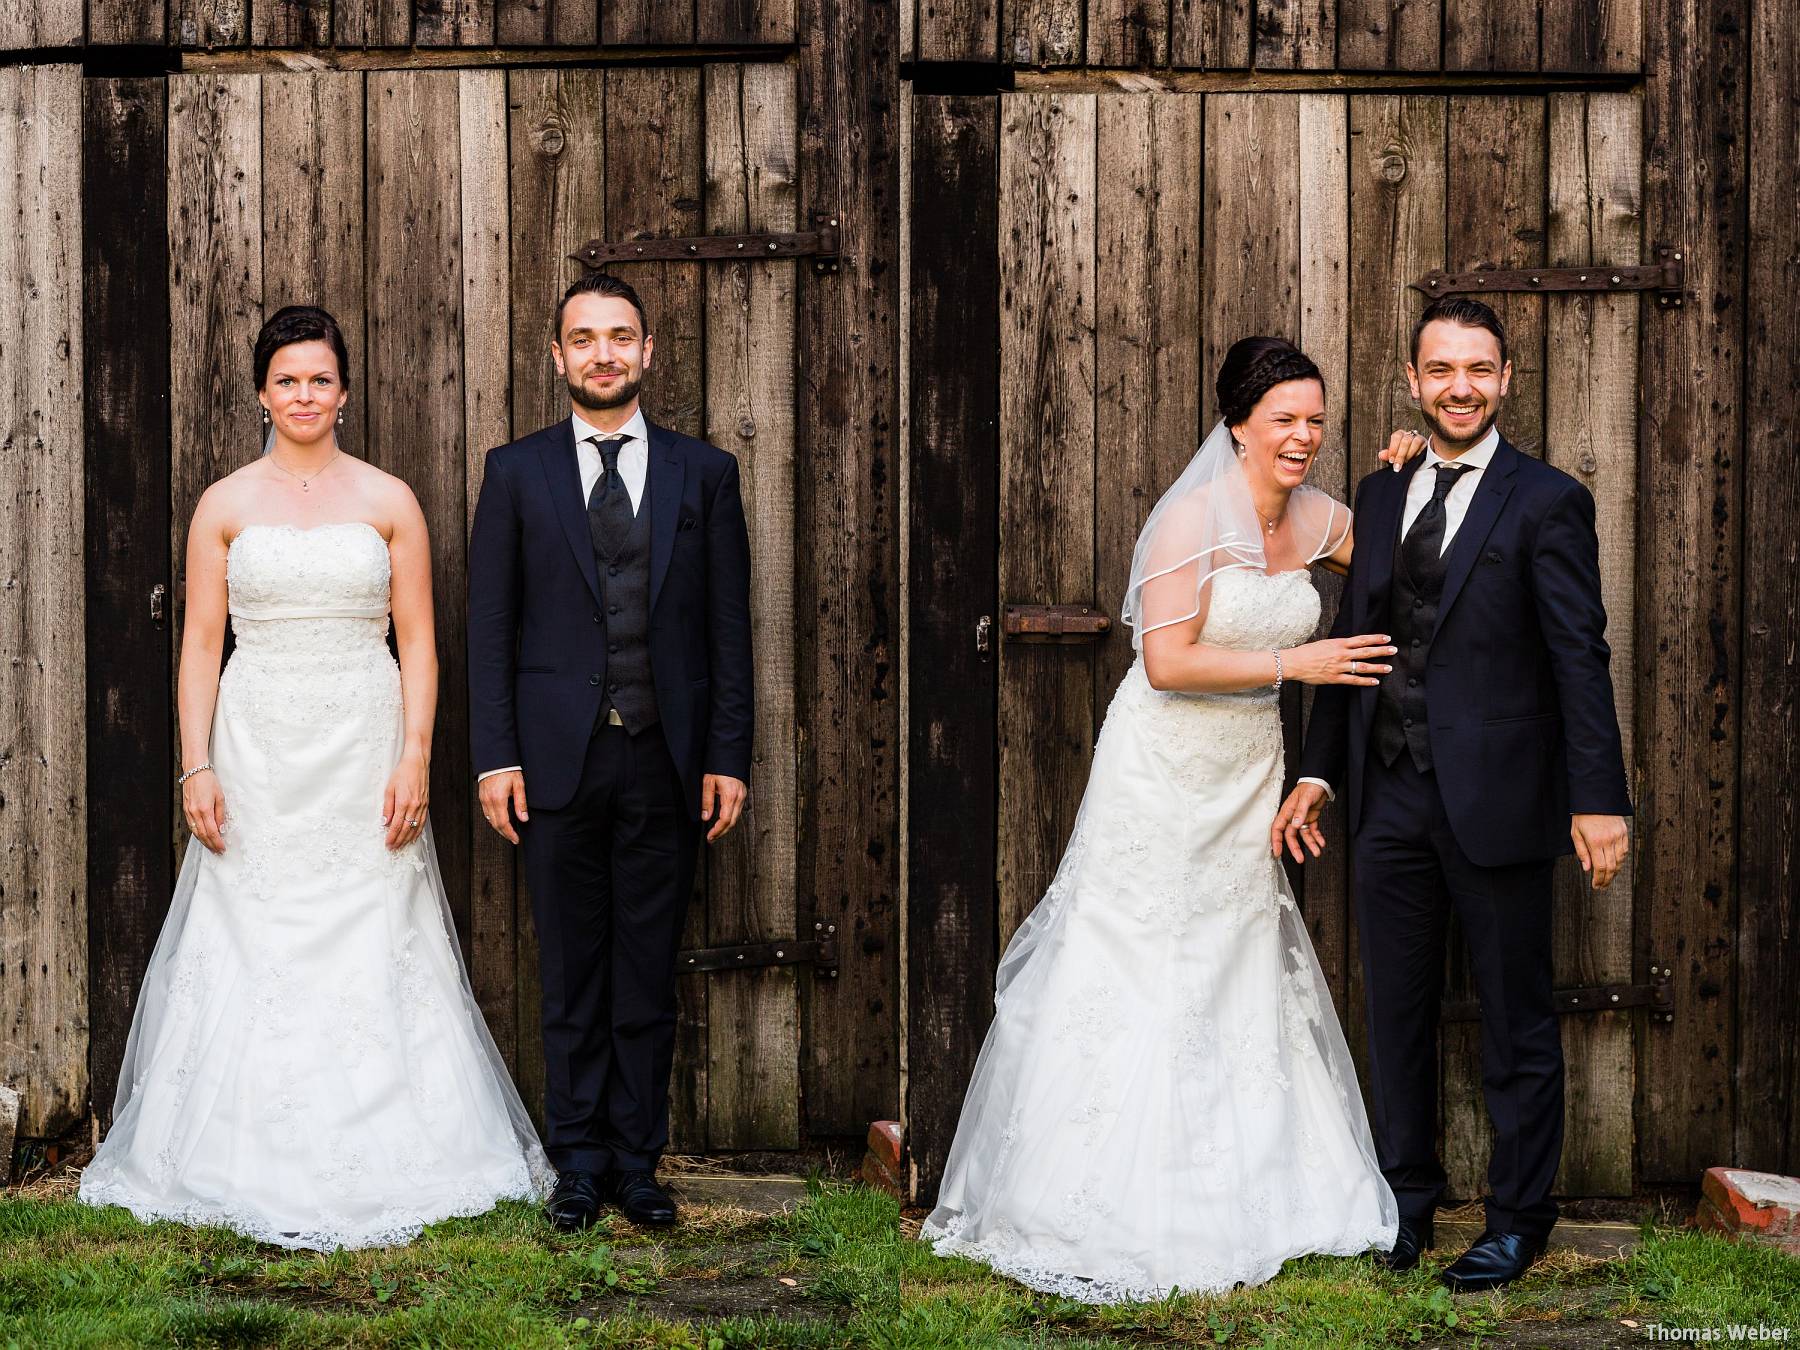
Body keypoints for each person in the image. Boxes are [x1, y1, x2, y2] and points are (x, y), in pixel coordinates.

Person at [919, 338, 1413, 1303]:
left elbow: (1396, 558)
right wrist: (1295, 666)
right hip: (1163, 767)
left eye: (1316, 420)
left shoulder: (1319, 516)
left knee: (1234, 947)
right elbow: (1167, 663)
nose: (1304, 438)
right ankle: (1100, 1191)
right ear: (1237, 426)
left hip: (1250, 769)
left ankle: (1251, 1182)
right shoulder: (1191, 519)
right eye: (1284, 422)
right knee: (1139, 952)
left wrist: (1397, 477)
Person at [79, 306, 550, 1250]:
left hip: (362, 742)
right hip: (254, 744)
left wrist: (414, 753)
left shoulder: (388, 500)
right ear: (263, 391)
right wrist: (196, 765)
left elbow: (418, 642)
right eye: (287, 379)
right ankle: (230, 1152)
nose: (304, 395)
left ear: (345, 390)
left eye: (320, 379)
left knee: (374, 927)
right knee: (250, 930)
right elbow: (200, 647)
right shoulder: (224, 504)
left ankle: (393, 1142)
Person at [1276, 296, 1631, 1292]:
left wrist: (1599, 797)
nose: (1461, 386)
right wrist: (1319, 770)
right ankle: (1406, 1208)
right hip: (1390, 799)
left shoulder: (1549, 500)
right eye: (1442, 369)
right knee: (1396, 1015)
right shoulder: (1379, 495)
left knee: (1517, 1019)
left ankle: (1518, 1220)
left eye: (1479, 368)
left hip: (1503, 799)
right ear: (1415, 378)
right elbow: (1358, 642)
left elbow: (1580, 655)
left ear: (1506, 377)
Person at [467, 272, 753, 1231]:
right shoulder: (515, 473)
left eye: (620, 337)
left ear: (647, 351)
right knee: (570, 971)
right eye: (583, 338)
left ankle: (638, 1163)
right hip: (553, 764)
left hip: (665, 761)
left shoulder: (703, 475)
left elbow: (728, 634)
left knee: (645, 970)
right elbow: (491, 631)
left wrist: (728, 755)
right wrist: (495, 758)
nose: (602, 353)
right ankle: (577, 1163)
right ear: (557, 356)